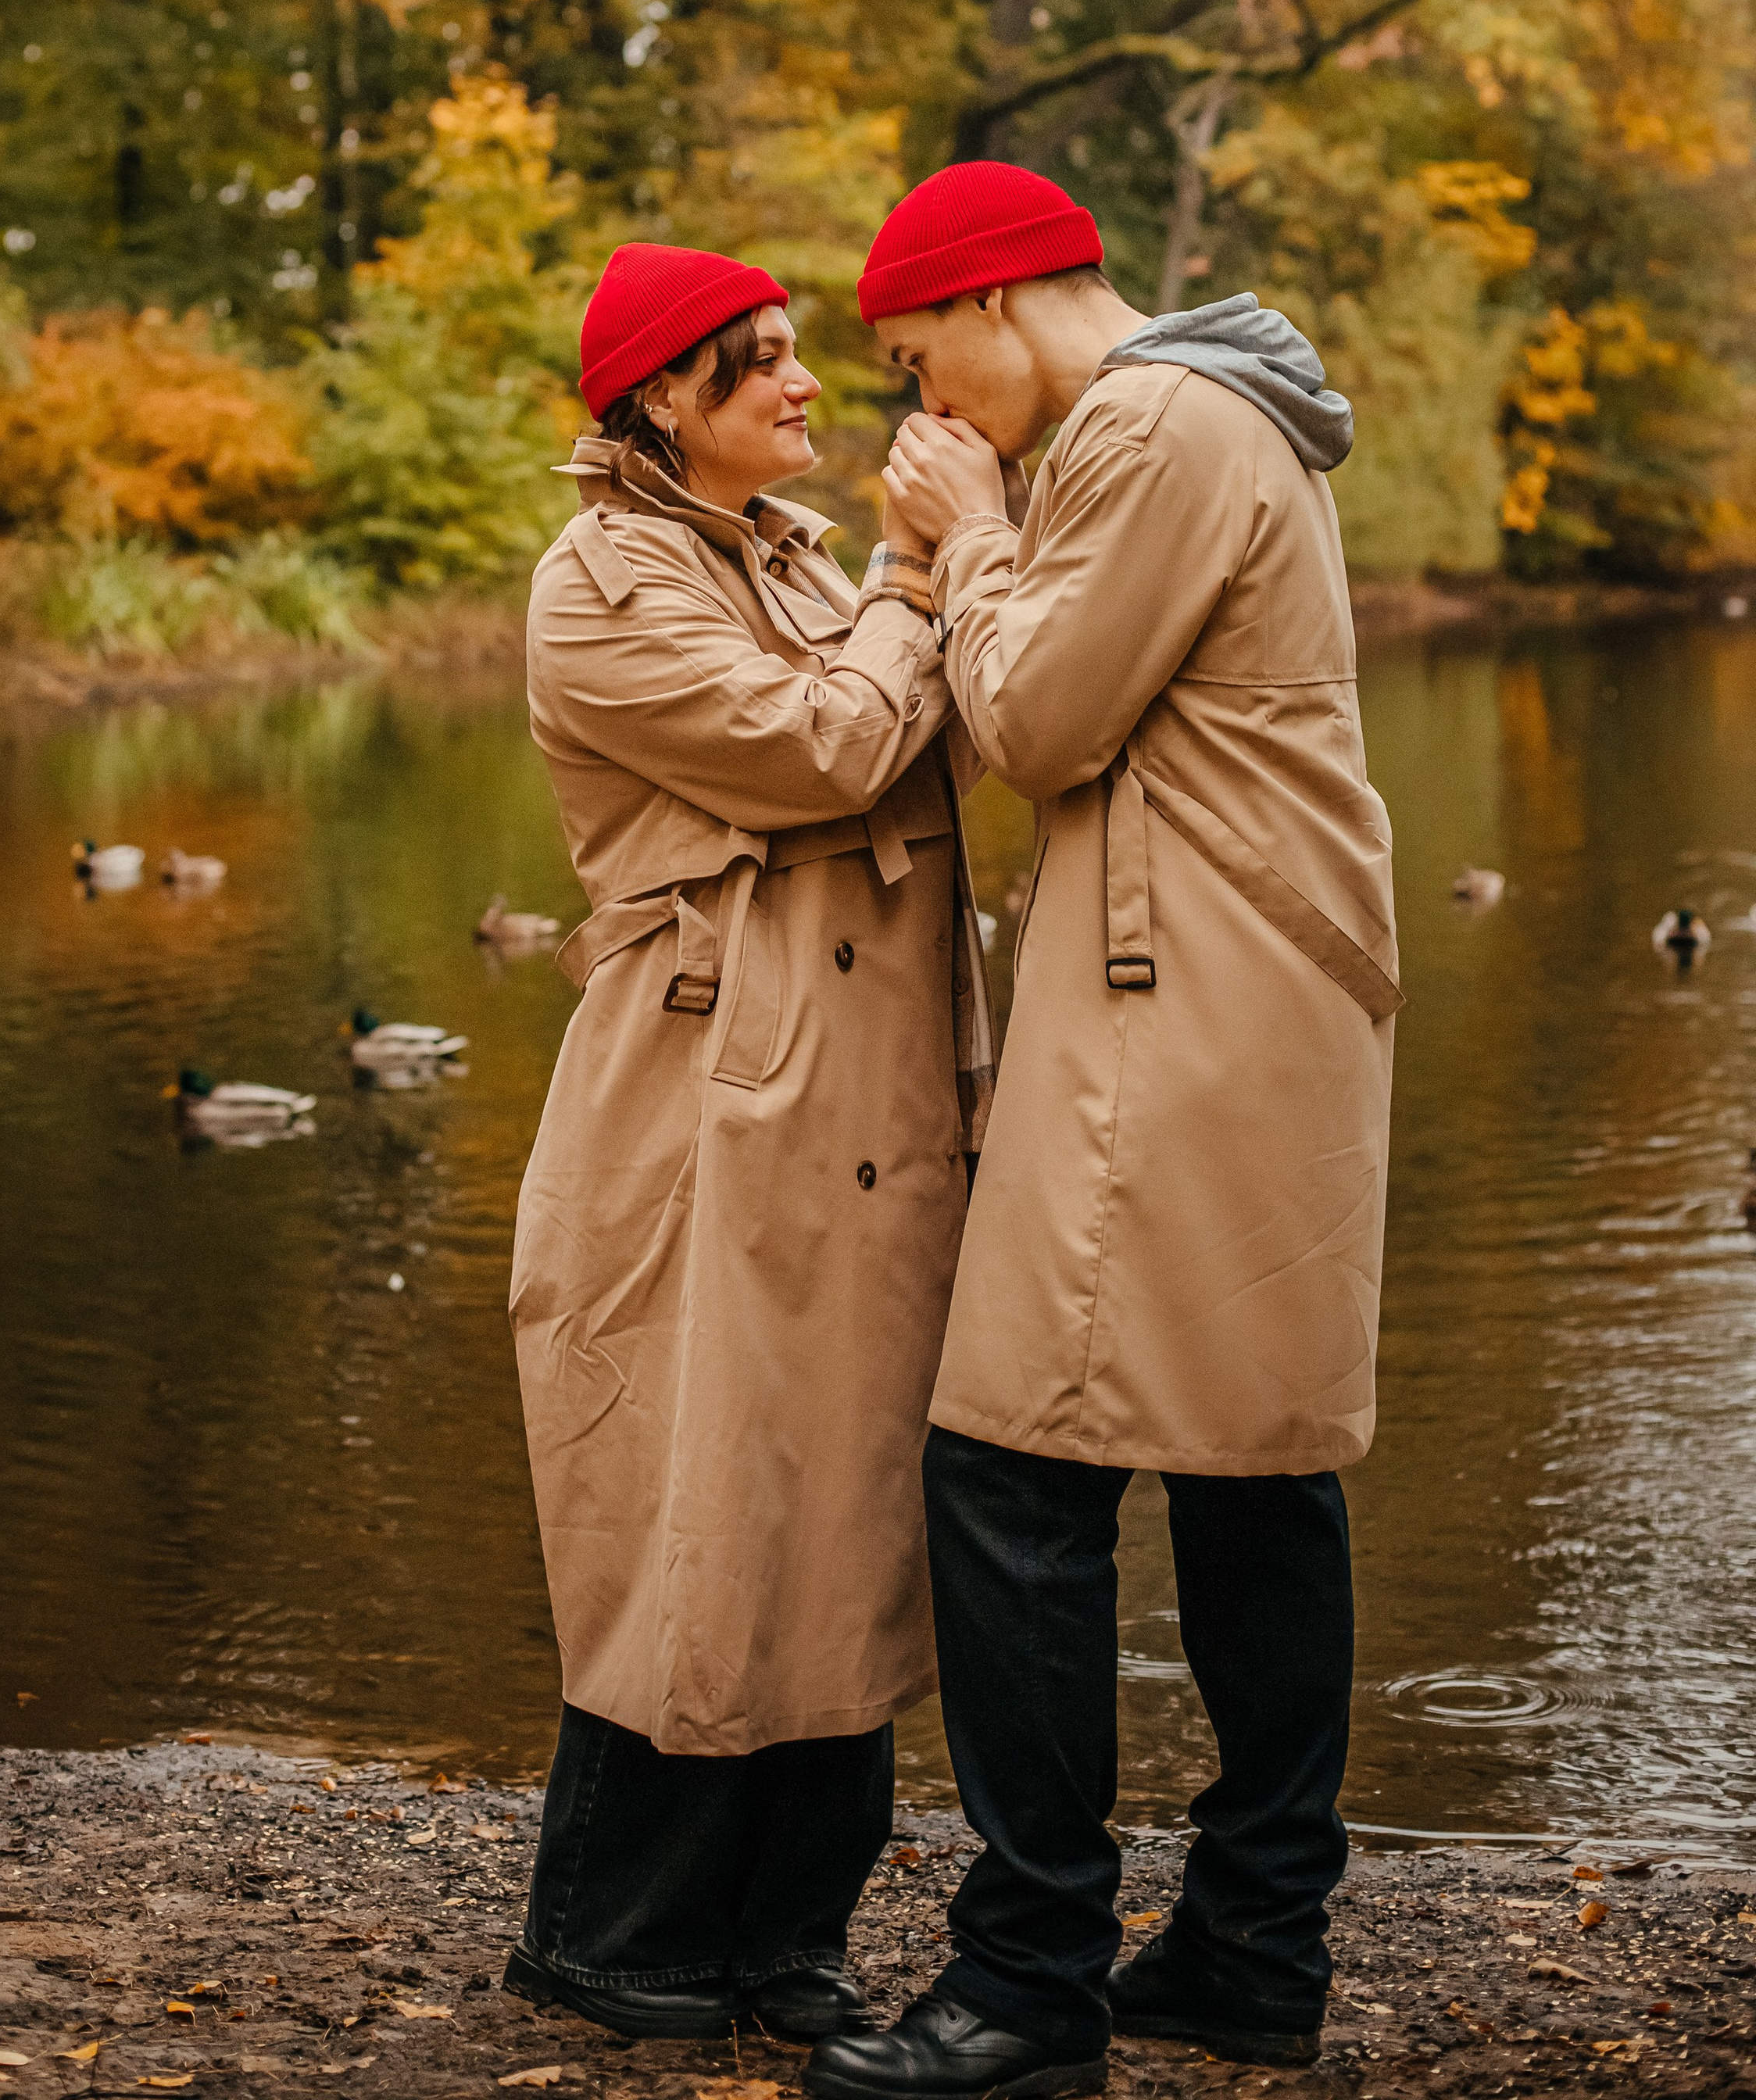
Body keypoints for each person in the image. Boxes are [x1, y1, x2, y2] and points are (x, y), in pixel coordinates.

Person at [809, 164, 1400, 2099]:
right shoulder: (1226, 416)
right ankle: (1249, 1944)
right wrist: (970, 557)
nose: (921, 409)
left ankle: (1031, 1972)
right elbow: (1030, 699)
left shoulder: (1143, 417)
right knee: (1247, 1471)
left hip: (1180, 996)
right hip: (1251, 985)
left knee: (1006, 1468)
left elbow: (1042, 720)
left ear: (993, 303)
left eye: (918, 363)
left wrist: (969, 530)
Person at [506, 241, 996, 2048]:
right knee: (694, 1501)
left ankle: (786, 1935)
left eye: (799, 355)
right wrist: (915, 575)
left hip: (875, 1097)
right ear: (660, 400)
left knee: (845, 1505)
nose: (807, 386)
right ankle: (611, 1936)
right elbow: (829, 747)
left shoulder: (774, 557)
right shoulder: (600, 581)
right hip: (707, 1094)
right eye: (762, 363)